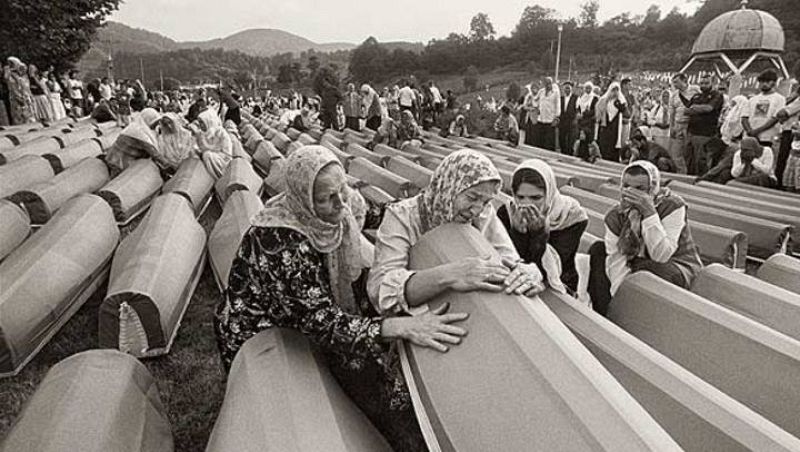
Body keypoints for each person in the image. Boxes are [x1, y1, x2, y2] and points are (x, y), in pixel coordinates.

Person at [215, 146, 466, 451]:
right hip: (270, 327)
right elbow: (323, 324)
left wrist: (441, 200)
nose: (340, 204)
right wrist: (399, 326)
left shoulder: (342, 203)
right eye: (325, 199)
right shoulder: (281, 242)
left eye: (342, 190)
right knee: (364, 373)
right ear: (302, 198)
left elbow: (386, 212)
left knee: (378, 358)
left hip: (318, 307)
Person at [368, 149, 549, 316]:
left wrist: (528, 272)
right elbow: (380, 292)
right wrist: (450, 275)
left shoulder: (483, 214)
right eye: (471, 197)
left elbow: (508, 260)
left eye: (485, 202)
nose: (476, 210)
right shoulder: (403, 216)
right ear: (448, 187)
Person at [588, 161, 703, 315]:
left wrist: (649, 212)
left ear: (652, 188)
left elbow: (661, 255)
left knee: (647, 270)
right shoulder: (615, 215)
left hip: (675, 265)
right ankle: (607, 312)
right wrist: (621, 295)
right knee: (598, 251)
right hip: (637, 262)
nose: (631, 193)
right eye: (626, 186)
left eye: (640, 189)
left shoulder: (672, 205)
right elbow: (616, 259)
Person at [496, 159, 588, 293]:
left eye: (536, 198)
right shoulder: (508, 212)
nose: (527, 204)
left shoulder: (570, 215)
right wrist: (518, 233)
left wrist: (539, 233)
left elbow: (555, 264)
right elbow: (509, 258)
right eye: (521, 197)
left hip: (558, 279)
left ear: (549, 193)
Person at [678, 74, 724, 175]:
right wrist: (699, 109)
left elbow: (709, 108)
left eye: (706, 83)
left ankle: (701, 181)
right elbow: (686, 110)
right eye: (701, 83)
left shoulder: (717, 95)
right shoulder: (696, 96)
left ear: (712, 83)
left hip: (705, 134)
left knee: (701, 161)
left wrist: (695, 108)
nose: (703, 85)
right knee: (688, 159)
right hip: (691, 132)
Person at [104, 108, 163, 173]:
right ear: (148, 120)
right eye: (155, 122)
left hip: (114, 158)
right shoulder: (139, 133)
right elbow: (154, 154)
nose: (157, 125)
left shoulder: (135, 126)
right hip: (118, 162)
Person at [742, 69, 786, 150]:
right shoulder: (752, 99)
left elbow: (775, 118)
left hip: (767, 137)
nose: (764, 84)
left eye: (767, 81)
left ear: (774, 83)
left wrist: (757, 131)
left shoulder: (780, 99)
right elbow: (744, 118)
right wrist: (750, 131)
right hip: (749, 138)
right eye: (762, 81)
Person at [668, 73, 700, 174]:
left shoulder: (695, 90)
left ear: (684, 81)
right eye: (674, 83)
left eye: (677, 82)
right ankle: (682, 173)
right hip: (678, 125)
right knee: (676, 154)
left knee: (691, 154)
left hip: (691, 125)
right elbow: (672, 113)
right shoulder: (674, 95)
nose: (675, 85)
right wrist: (672, 127)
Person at [190, 109, 233, 179]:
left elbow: (227, 154)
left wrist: (210, 154)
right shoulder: (201, 134)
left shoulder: (221, 133)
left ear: (209, 122)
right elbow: (197, 146)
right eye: (199, 123)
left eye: (202, 123)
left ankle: (217, 177)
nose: (200, 125)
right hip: (206, 159)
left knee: (207, 155)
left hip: (221, 160)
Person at [596, 81, 628, 162]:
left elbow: (625, 112)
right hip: (605, 124)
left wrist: (619, 104)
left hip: (615, 126)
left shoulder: (621, 101)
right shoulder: (604, 100)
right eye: (613, 90)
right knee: (604, 141)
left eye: (617, 90)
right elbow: (598, 111)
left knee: (613, 142)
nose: (615, 92)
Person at [532, 77, 561, 151]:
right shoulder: (541, 91)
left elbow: (558, 105)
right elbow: (535, 100)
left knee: (549, 141)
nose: (547, 85)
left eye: (549, 83)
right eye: (546, 83)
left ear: (551, 83)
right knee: (539, 139)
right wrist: (536, 107)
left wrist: (557, 117)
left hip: (550, 119)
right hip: (541, 118)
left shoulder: (556, 92)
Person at [3, 57, 34, 125]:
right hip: (15, 96)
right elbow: (7, 80)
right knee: (18, 113)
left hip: (25, 96)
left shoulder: (23, 77)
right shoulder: (10, 74)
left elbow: (26, 87)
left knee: (28, 113)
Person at [559, 81, 578, 154]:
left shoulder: (575, 98)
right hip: (562, 120)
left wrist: (575, 119)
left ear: (571, 89)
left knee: (570, 138)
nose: (567, 90)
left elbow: (577, 109)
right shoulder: (561, 98)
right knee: (562, 137)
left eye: (568, 88)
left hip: (571, 120)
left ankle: (569, 152)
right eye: (565, 88)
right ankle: (562, 151)